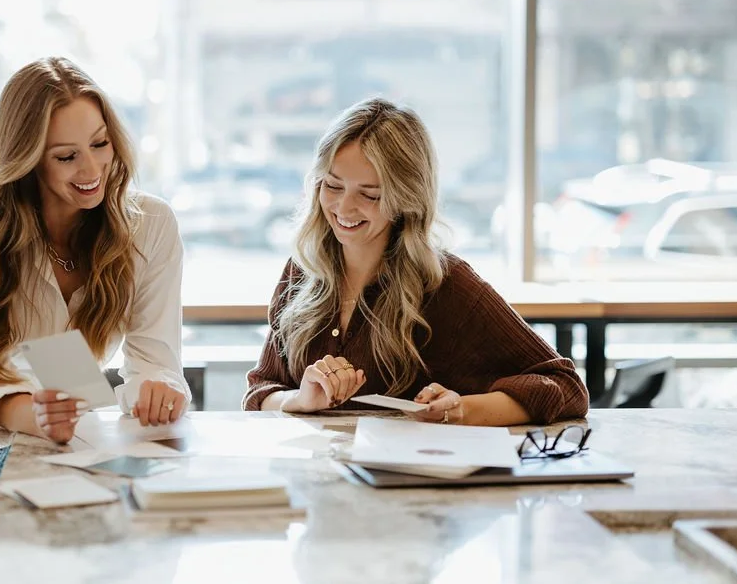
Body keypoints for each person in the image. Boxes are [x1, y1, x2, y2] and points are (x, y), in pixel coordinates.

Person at [0, 57, 191, 584]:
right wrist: (34, 414)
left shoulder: (150, 226)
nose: (91, 171)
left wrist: (157, 392)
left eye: (101, 144)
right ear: (27, 160)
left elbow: (155, 360)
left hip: (52, 444)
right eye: (65, 157)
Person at [243, 98, 588, 425]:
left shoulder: (445, 283)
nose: (344, 208)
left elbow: (566, 387)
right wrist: (299, 401)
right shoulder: (303, 270)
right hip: (317, 481)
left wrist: (460, 409)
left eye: (369, 194)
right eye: (333, 186)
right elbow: (260, 392)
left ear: (405, 197)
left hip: (406, 485)